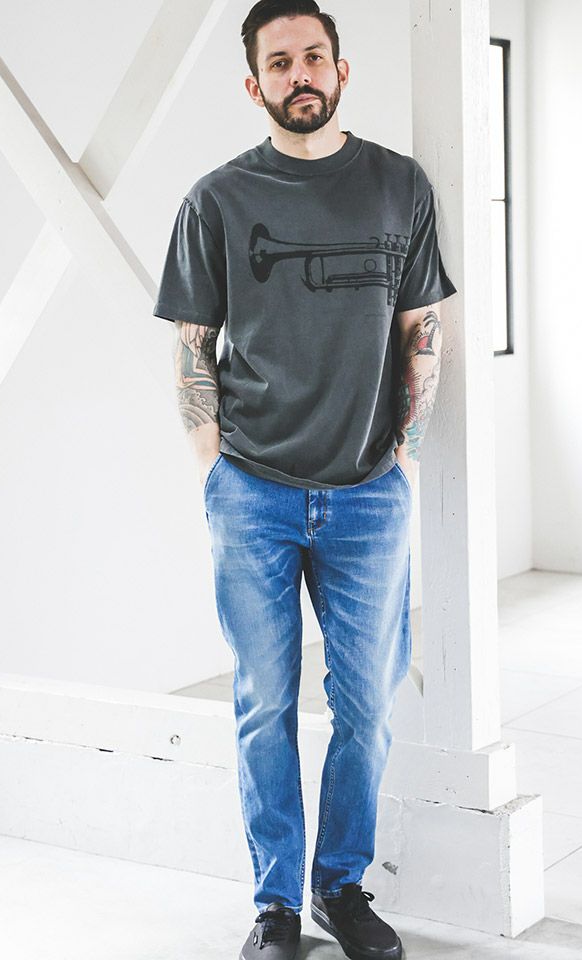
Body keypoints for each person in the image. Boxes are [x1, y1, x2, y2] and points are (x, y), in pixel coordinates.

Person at [152, 2, 457, 957]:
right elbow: (192, 345)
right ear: (255, 85)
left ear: (341, 68)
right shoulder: (215, 200)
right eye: (279, 63)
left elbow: (421, 329)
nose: (300, 74)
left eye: (313, 55)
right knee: (264, 704)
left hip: (370, 495)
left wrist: (403, 455)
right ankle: (275, 903)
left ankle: (341, 888)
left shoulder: (400, 187)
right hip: (251, 492)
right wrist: (214, 470)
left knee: (368, 707)